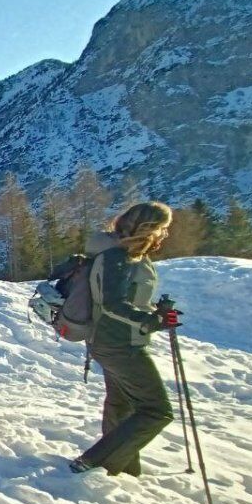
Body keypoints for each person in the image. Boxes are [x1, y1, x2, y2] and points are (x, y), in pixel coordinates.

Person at [70, 202, 176, 477]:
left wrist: (155, 313)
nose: (164, 234)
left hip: (109, 340)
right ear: (149, 229)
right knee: (156, 410)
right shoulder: (117, 257)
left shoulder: (119, 253)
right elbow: (113, 304)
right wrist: (151, 320)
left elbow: (124, 299)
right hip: (120, 344)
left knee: (121, 404)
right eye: (163, 229)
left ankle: (121, 470)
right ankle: (93, 461)